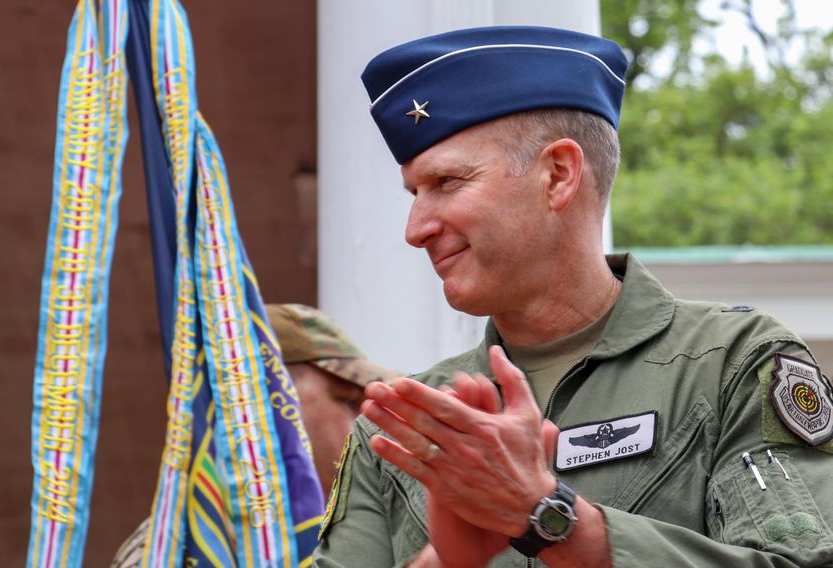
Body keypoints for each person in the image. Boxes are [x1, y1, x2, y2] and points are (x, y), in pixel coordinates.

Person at [314, 26, 833, 567]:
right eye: (414, 193)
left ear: (558, 175)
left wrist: (549, 518)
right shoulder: (398, 426)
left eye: (446, 182)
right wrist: (447, 561)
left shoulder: (732, 366)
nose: (415, 228)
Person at [111, 303, 399, 567]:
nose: (368, 422)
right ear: (270, 402)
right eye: (349, 402)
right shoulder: (181, 549)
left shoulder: (354, 534)